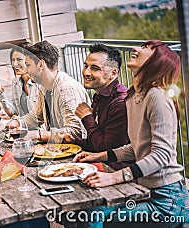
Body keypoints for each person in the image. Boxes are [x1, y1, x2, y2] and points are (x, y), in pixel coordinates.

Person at [72, 40, 189, 227]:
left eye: (146, 49)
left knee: (93, 218)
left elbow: (162, 155)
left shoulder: (157, 96)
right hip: (145, 190)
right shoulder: (133, 96)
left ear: (157, 62)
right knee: (85, 212)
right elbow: (136, 148)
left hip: (167, 201)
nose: (135, 49)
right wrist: (100, 155)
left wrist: (113, 177)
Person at [64, 43, 132, 171]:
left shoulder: (120, 103)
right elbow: (96, 142)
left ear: (113, 73)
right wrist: (73, 141)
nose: (86, 72)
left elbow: (106, 150)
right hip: (104, 166)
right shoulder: (99, 95)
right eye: (85, 66)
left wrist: (87, 117)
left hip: (119, 172)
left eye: (94, 68)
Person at [21, 40, 91, 141]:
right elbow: (36, 117)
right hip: (57, 150)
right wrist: (16, 123)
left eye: (28, 65)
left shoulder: (67, 89)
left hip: (77, 152)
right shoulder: (44, 87)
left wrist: (39, 135)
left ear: (41, 64)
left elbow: (76, 132)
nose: (26, 70)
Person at [0, 44, 39, 116]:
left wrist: (20, 122)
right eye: (13, 60)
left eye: (19, 60)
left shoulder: (39, 83)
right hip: (25, 126)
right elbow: (14, 113)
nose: (14, 64)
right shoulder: (16, 82)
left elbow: (40, 117)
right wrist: (1, 95)